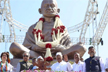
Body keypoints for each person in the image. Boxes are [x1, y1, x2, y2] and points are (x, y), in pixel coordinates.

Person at [9, 0, 86, 59]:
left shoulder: (62, 28)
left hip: (58, 53)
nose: (49, 8)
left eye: (52, 6)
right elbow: (26, 45)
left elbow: (68, 45)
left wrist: (61, 48)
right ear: (40, 10)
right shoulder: (33, 28)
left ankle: (57, 57)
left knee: (81, 48)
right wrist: (35, 47)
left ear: (58, 10)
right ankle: (39, 58)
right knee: (14, 46)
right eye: (46, 6)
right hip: (37, 53)